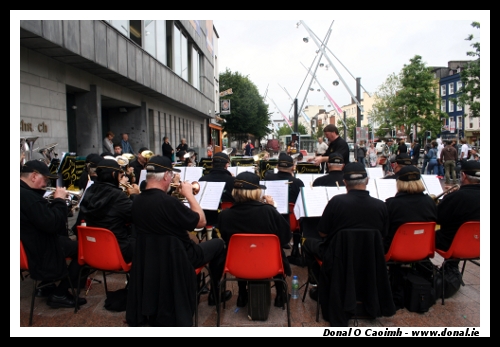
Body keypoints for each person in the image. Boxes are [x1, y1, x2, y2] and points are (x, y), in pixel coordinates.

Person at [130, 156, 232, 307]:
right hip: (179, 257)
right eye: (171, 175)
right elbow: (201, 222)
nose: (171, 178)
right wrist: (189, 195)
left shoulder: (136, 200)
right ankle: (215, 294)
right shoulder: (170, 203)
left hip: (151, 256)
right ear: (165, 175)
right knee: (218, 244)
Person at [302, 162, 389, 300]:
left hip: (338, 255)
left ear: (345, 182)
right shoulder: (381, 205)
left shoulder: (336, 202)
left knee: (308, 243)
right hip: (369, 255)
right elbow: (383, 236)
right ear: (367, 180)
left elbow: (322, 233)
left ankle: (320, 284)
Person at [216, 171, 291, 308]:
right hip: (270, 263)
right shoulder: (268, 211)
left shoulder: (225, 215)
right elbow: (286, 237)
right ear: (256, 192)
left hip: (237, 265)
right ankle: (280, 294)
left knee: (242, 251)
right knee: (277, 249)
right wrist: (273, 208)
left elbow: (226, 238)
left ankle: (242, 294)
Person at [20, 160, 88, 308]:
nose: (46, 184)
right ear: (34, 176)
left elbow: (39, 217)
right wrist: (59, 200)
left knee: (67, 241)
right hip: (42, 249)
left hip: (28, 246)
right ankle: (60, 293)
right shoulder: (28, 197)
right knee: (85, 249)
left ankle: (46, 286)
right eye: (45, 180)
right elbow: (54, 224)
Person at [79, 159, 140, 263]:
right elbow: (136, 215)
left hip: (93, 250)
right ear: (113, 174)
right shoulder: (117, 195)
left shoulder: (90, 190)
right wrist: (134, 196)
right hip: (118, 251)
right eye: (120, 175)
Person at [436, 161, 480, 270]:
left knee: (425, 236)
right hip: (479, 244)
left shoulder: (456, 197)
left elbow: (438, 218)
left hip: (451, 244)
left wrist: (447, 198)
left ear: (464, 176)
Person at [384, 166, 437, 253]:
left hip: (395, 250)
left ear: (399, 183)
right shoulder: (430, 202)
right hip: (422, 249)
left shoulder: (391, 204)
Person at [198, 151, 236, 231]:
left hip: (207, 219)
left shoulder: (202, 180)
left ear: (212, 165)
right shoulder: (233, 181)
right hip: (228, 220)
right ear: (226, 165)